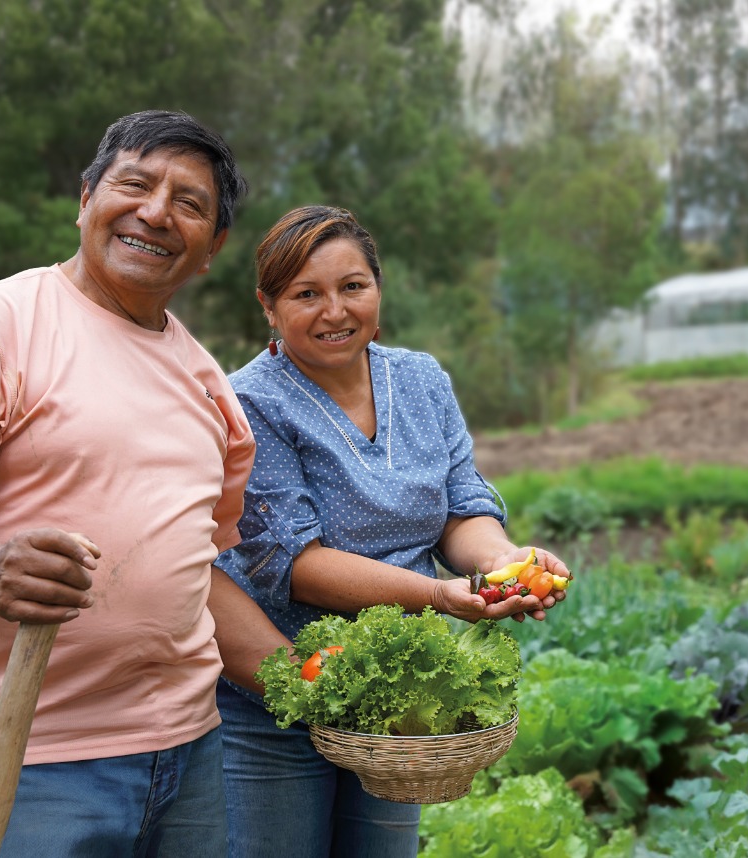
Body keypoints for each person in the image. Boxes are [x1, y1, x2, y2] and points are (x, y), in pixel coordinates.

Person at [0, 110, 292, 857]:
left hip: (192, 752)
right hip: (35, 759)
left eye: (190, 204)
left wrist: (316, 685)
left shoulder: (207, 384)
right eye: (134, 184)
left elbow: (198, 578)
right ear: (86, 196)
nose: (156, 212)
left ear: (212, 247)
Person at [213, 205, 572, 857]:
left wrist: (502, 564)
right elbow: (296, 562)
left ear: (378, 288)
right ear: (268, 307)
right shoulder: (252, 401)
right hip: (289, 687)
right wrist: (438, 595)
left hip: (397, 700)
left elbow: (462, 507)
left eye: (353, 286)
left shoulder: (420, 379)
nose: (335, 311)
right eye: (306, 294)